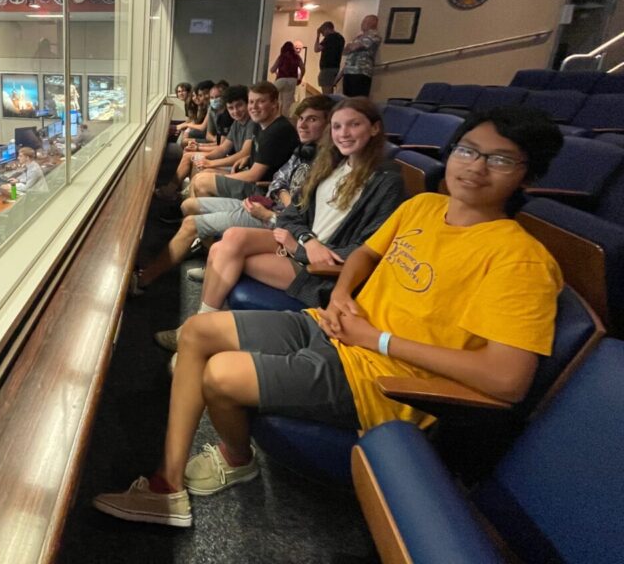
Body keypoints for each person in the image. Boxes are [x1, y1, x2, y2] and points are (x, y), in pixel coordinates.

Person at [92, 105, 564, 528]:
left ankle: (236, 458)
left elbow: (507, 380)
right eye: (468, 151)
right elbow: (363, 255)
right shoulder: (425, 206)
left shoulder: (521, 260)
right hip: (333, 327)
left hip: (380, 377)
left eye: (500, 159)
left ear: (528, 176)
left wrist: (375, 339)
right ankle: (167, 485)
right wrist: (341, 294)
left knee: (219, 374)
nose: (476, 168)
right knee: (197, 330)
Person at [194, 98, 403, 316]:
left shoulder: (387, 182)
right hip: (304, 246)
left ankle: (198, 325)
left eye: (354, 124)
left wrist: (300, 249)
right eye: (337, 126)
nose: (344, 133)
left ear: (375, 128)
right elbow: (291, 214)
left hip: (324, 271)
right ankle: (202, 322)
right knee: (233, 237)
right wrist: (307, 240)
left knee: (222, 252)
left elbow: (369, 248)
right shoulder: (330, 164)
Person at [136, 96, 332, 292]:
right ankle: (212, 261)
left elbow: (301, 217)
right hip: (266, 204)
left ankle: (143, 279)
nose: (303, 125)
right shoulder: (303, 151)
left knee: (190, 223)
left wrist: (272, 212)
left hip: (273, 218)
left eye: (312, 119)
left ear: (328, 125)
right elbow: (278, 181)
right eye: (301, 119)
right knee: (189, 206)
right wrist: (283, 195)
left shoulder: (327, 168)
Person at [189, 83, 299, 201]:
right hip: (252, 178)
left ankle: (197, 210)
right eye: (251, 102)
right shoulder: (261, 125)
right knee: (201, 176)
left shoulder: (277, 130)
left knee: (202, 181)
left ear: (274, 103)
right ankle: (194, 208)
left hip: (263, 190)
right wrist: (247, 159)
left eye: (260, 101)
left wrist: (226, 175)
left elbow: (254, 175)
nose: (254, 107)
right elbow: (260, 155)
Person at [156, 86, 255, 202]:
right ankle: (172, 192)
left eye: (239, 106)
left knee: (202, 169)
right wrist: (204, 158)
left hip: (241, 169)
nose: (235, 111)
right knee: (193, 158)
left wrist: (211, 163)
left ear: (247, 103)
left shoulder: (252, 123)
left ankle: (185, 199)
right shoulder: (237, 123)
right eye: (231, 108)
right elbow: (223, 148)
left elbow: (243, 153)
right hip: (234, 164)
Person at [338, 15, 381, 97]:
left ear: (373, 23)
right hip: (349, 72)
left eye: (365, 22)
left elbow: (355, 47)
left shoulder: (374, 35)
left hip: (360, 73)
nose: (362, 24)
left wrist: (351, 46)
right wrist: (351, 46)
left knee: (357, 100)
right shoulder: (359, 36)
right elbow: (345, 51)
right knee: (347, 99)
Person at [269, 41, 305, 118]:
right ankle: (284, 120)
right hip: (292, 80)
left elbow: (272, 69)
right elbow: (303, 68)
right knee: (286, 103)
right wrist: (300, 78)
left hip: (281, 79)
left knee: (271, 96)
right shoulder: (297, 57)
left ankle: (273, 116)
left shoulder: (282, 57)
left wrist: (277, 72)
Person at [314, 22, 345, 95]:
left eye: (323, 32)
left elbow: (316, 49)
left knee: (326, 95)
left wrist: (317, 36)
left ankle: (327, 106)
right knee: (332, 93)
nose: (323, 35)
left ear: (327, 29)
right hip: (336, 67)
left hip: (327, 69)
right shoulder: (341, 38)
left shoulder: (329, 38)